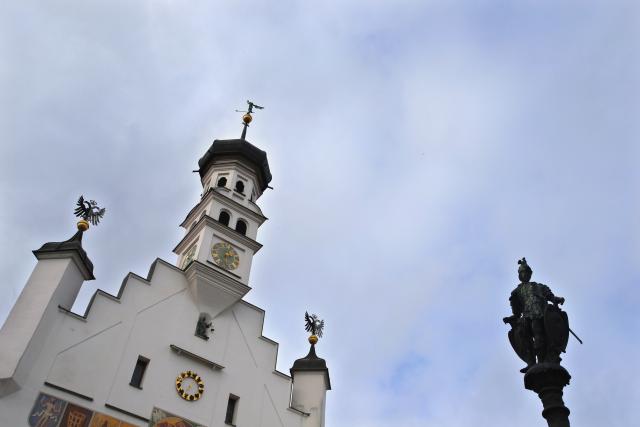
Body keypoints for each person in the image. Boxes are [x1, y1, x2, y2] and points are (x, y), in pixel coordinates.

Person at [503, 258, 564, 372]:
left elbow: (550, 296)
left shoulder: (539, 286)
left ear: (530, 274)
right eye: (522, 273)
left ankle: (542, 360)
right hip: (526, 316)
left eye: (526, 272)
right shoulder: (516, 292)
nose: (524, 274)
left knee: (538, 334)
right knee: (523, 336)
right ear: (519, 275)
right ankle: (530, 361)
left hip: (540, 314)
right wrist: (512, 318)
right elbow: (516, 311)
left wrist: (556, 299)